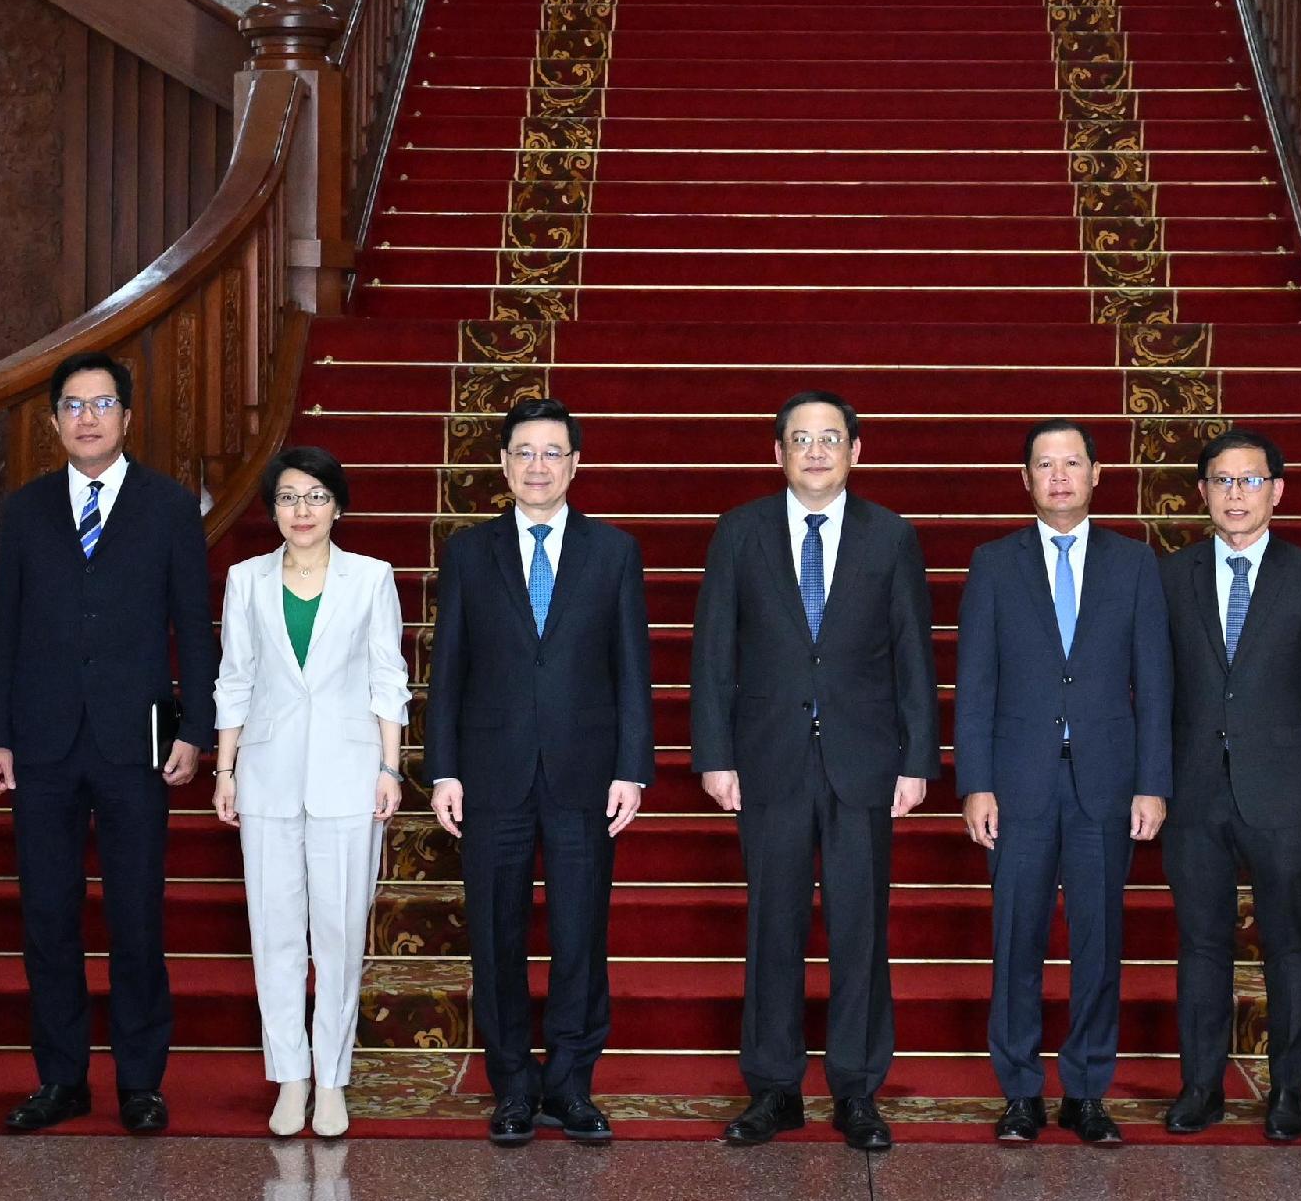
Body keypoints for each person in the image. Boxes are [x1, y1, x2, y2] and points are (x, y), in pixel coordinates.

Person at [0, 352, 219, 1136]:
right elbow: (4, 629)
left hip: (137, 743)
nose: (87, 418)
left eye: (102, 403)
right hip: (42, 744)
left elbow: (194, 625)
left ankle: (142, 1082)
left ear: (127, 416)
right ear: (54, 422)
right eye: (73, 406)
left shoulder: (170, 507)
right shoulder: (26, 509)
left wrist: (197, 728)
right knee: (47, 918)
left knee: (137, 920)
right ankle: (61, 1079)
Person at [694, 391, 936, 1154]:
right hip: (768, 759)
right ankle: (773, 1088)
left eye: (830, 439)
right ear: (778, 453)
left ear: (856, 451)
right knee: (773, 926)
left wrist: (918, 758)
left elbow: (913, 658)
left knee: (862, 928)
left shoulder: (890, 536)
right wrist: (714, 754)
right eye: (801, 439)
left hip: (864, 761)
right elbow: (712, 656)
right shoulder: (740, 533)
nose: (816, 451)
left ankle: (858, 1090)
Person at [425, 396, 652, 1149]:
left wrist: (632, 768)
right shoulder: (467, 552)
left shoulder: (614, 551)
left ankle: (571, 1084)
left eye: (553, 452)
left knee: (581, 932)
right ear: (501, 464)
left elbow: (631, 670)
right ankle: (513, 1087)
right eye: (523, 452)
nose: (537, 465)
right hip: (490, 774)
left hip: (588, 774)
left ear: (576, 464)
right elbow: (446, 670)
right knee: (495, 936)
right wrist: (443, 769)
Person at [955, 419, 1167, 1147]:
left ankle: (1086, 1089)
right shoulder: (993, 563)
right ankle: (1019, 1091)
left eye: (1072, 463)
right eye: (1044, 465)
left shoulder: (1136, 564)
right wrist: (974, 783)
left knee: (1098, 943)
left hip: (1107, 785)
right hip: (1017, 785)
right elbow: (975, 681)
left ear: (1098, 473)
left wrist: (1153, 783)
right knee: (1016, 940)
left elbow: (1156, 686)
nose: (1059, 476)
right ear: (1025, 479)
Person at [1157, 428, 1301, 1141]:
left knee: (1289, 940)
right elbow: (1155, 688)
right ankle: (1200, 1084)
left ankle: (1288, 1089)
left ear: (1277, 491)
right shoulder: (1170, 575)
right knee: (1201, 942)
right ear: (1202, 492)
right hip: (1194, 789)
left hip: (1283, 790)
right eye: (1223, 482)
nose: (1236, 494)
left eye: (1251, 481)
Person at [212, 446, 408, 1140]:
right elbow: (234, 677)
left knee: (339, 931)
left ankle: (332, 1078)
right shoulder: (246, 580)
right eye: (289, 496)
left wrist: (390, 768)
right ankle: (290, 1076)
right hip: (265, 775)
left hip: (349, 777)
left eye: (317, 496)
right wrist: (226, 771)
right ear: (271, 509)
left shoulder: (371, 578)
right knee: (274, 935)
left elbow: (390, 678)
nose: (303, 510)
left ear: (339, 506)